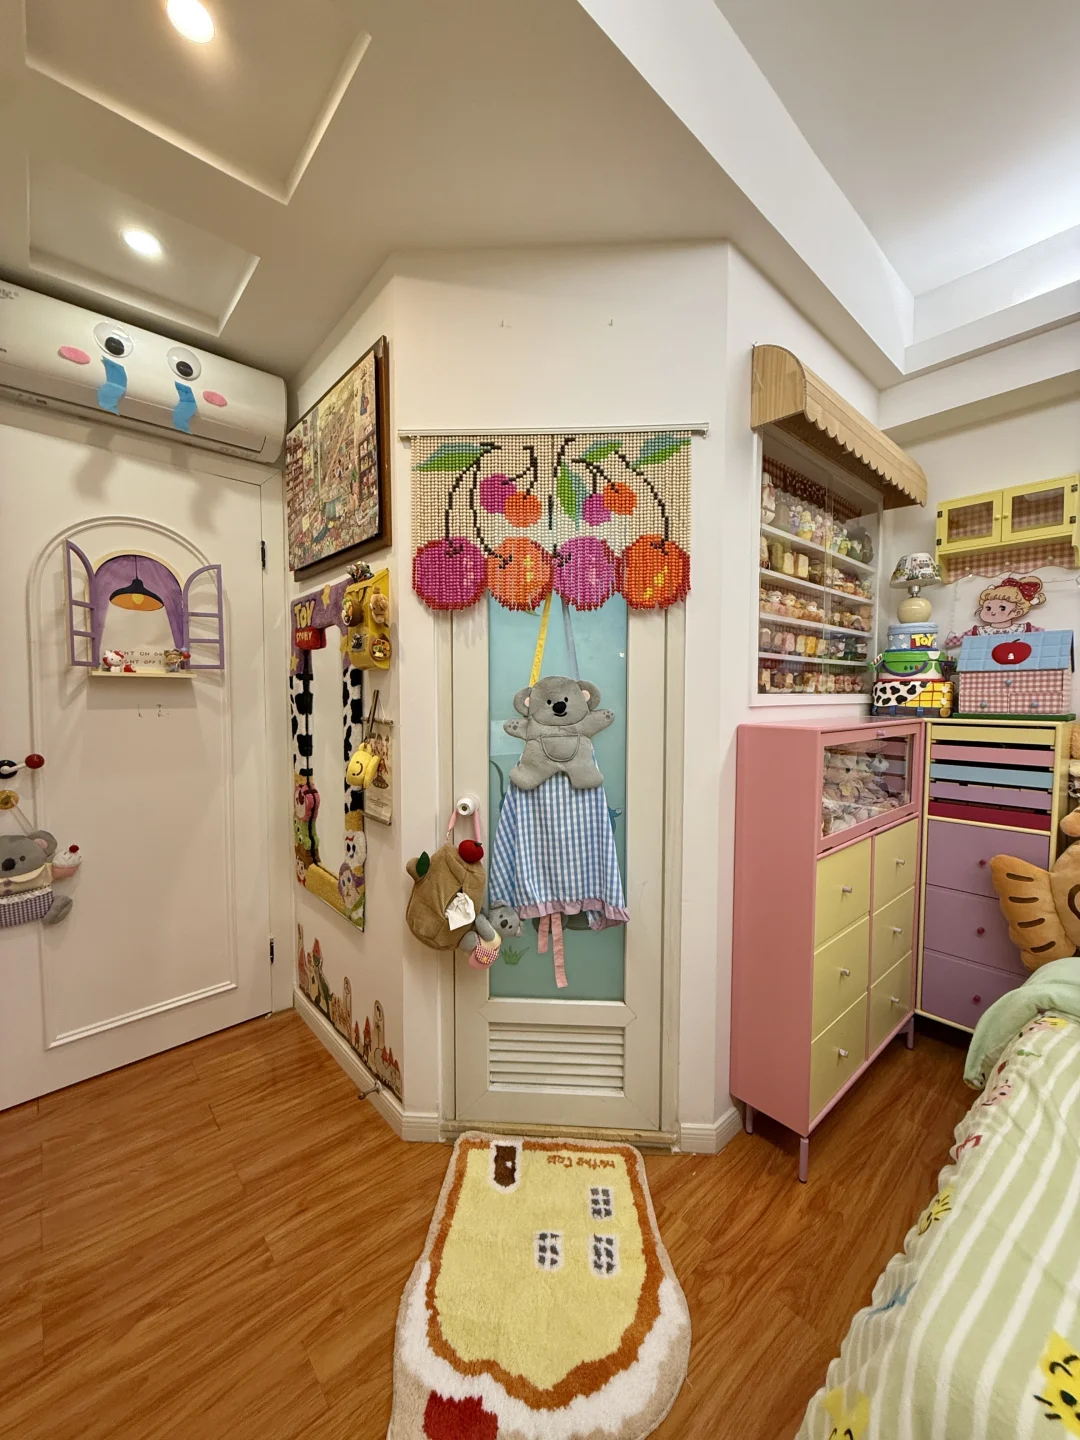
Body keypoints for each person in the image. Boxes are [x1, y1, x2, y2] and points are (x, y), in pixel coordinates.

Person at [945, 575, 1046, 648]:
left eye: (1002, 608)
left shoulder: (1023, 629)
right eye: (988, 608)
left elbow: (1047, 637)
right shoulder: (979, 632)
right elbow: (952, 642)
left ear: (1017, 612)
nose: (993, 612)